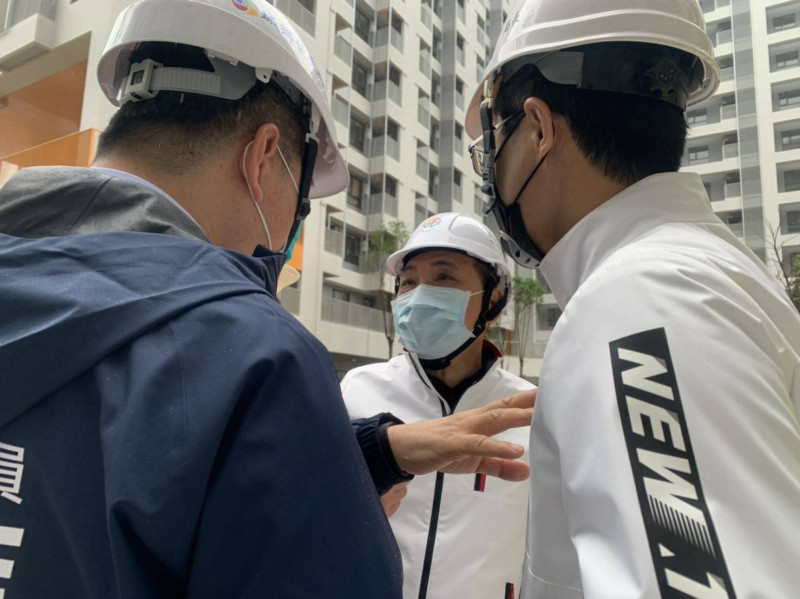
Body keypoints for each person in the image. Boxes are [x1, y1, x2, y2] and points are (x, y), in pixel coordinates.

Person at [0, 1, 534, 597]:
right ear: (262, 158)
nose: (288, 230)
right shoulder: (257, 355)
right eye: (301, 201)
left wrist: (370, 456)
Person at [465, 0, 800, 597]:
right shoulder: (697, 273)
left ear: (539, 129)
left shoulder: (639, 303)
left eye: (495, 137)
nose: (490, 168)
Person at [343, 212, 534, 599]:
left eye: (444, 278)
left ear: (493, 300)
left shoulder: (528, 411)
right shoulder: (356, 390)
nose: (418, 294)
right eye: (409, 281)